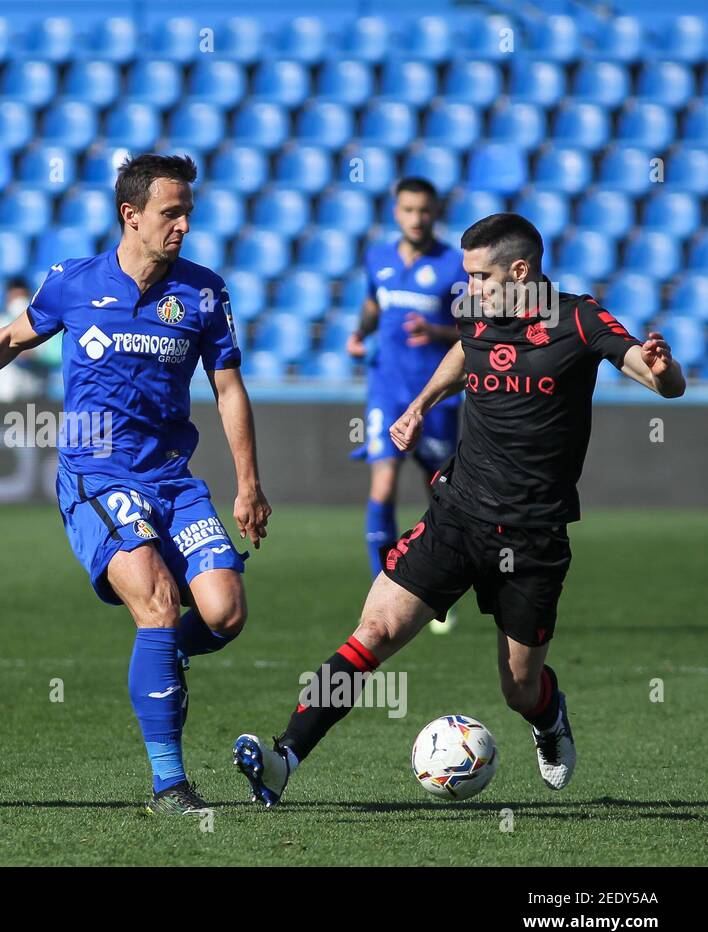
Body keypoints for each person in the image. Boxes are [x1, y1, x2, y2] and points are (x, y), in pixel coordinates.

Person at [234, 213, 685, 807]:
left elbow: (659, 381)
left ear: (520, 272)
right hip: (457, 512)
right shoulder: (475, 309)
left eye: (479, 276)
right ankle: (284, 757)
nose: (467, 288)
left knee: (520, 688)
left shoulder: (577, 318)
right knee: (375, 631)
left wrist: (662, 368)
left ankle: (549, 721)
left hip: (533, 534)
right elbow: (468, 353)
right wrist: (422, 402)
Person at [0, 154, 271, 815]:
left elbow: (228, 386)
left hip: (172, 477)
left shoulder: (206, 292)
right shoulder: (73, 282)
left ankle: (161, 661)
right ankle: (168, 786)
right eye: (171, 213)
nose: (185, 224)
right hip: (95, 469)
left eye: (189, 211)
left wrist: (248, 484)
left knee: (225, 613)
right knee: (156, 601)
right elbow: (12, 338)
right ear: (131, 216)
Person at [348, 179, 464, 635]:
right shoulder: (377, 257)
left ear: (435, 213)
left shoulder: (454, 266)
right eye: (409, 210)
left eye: (425, 210)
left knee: (443, 495)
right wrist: (360, 332)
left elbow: (475, 332)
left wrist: (437, 334)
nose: (417, 218)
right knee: (382, 486)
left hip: (434, 396)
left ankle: (438, 588)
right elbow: (373, 305)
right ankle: (386, 587)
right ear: (397, 212)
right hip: (386, 391)